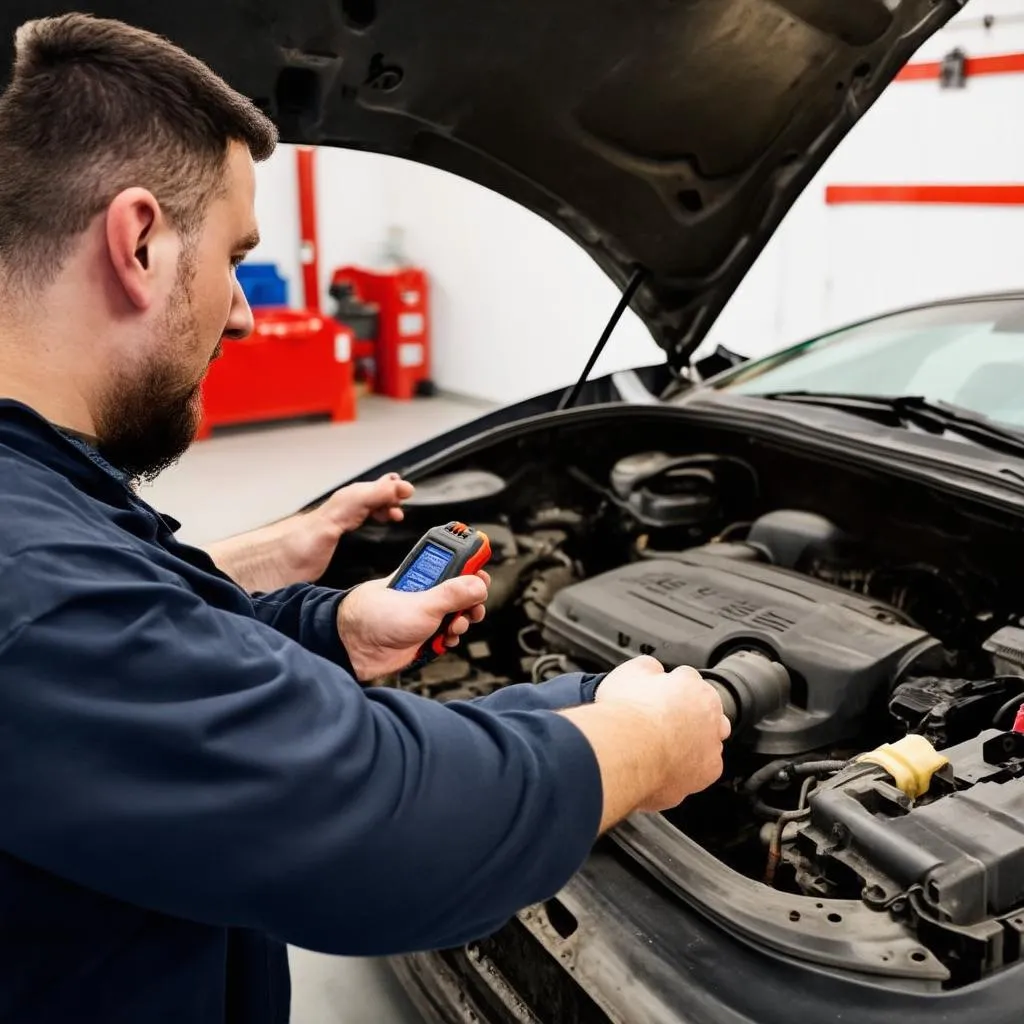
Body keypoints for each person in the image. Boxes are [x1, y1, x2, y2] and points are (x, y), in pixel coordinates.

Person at [0, 13, 730, 1024]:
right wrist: (645, 744)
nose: (247, 311)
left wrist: (327, 626)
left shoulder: (42, 491)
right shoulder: (27, 577)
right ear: (138, 241)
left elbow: (161, 639)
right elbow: (385, 828)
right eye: (234, 254)